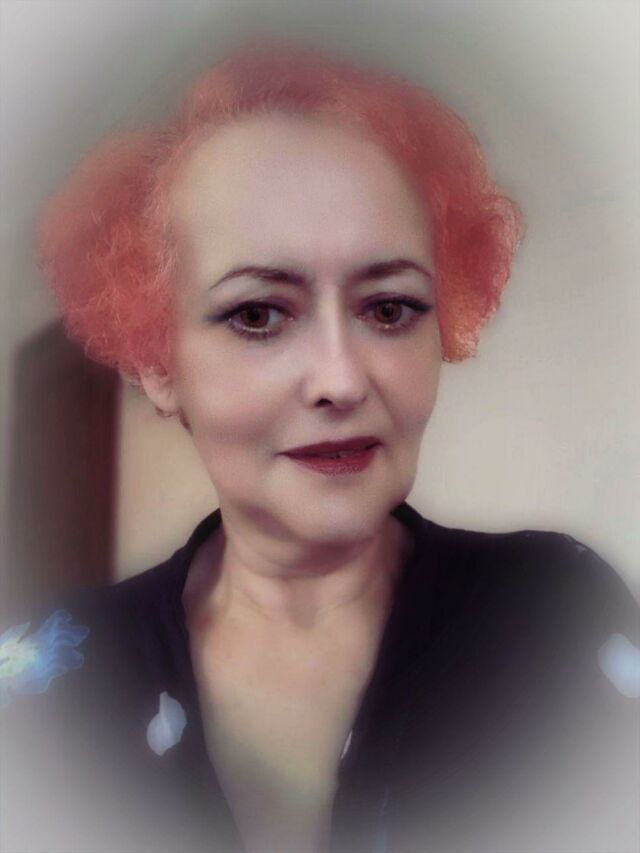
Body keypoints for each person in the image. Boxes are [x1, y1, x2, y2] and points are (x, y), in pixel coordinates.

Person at [1, 40, 638, 853]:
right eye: (258, 314)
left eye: (389, 308)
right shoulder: (43, 692)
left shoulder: (558, 618)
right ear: (158, 363)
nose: (340, 378)